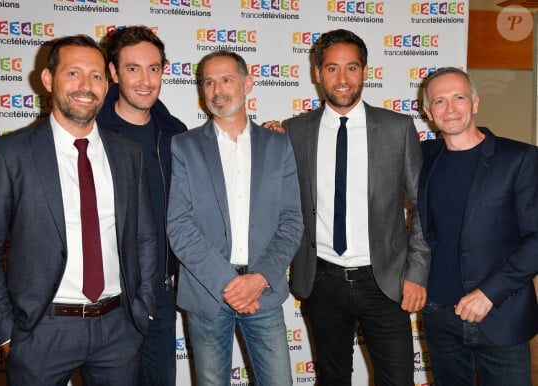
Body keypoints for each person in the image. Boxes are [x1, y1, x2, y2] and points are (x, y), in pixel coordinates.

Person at [0, 26, 186, 386]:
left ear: (106, 82)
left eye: (95, 75)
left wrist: (139, 310)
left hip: (118, 328)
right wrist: (5, 332)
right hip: (42, 331)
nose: (86, 85)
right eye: (73, 73)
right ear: (48, 79)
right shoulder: (11, 153)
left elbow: (145, 236)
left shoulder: (129, 153)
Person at [274, 29, 431, 385]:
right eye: (332, 68)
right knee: (332, 379)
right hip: (322, 281)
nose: (342, 79)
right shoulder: (295, 131)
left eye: (351, 68)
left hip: (385, 282)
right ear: (317, 73)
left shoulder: (397, 127)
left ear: (365, 71)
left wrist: (416, 273)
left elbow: (422, 205)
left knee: (397, 380)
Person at [166, 50, 303, 385]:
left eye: (226, 79)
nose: (217, 90)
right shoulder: (184, 146)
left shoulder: (278, 146)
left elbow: (292, 222)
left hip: (264, 293)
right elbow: (179, 226)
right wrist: (230, 286)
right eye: (208, 82)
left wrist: (258, 279)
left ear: (248, 83)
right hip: (207, 293)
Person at [418, 67, 537, 386]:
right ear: (428, 112)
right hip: (440, 315)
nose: (451, 108)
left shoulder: (520, 158)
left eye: (459, 97)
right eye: (440, 101)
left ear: (475, 103)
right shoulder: (423, 157)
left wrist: (489, 293)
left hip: (501, 315)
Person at [99, 26, 186, 386]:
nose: (146, 80)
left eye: (154, 68)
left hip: (160, 291)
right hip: (105, 292)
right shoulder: (88, 129)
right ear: (114, 73)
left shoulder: (176, 134)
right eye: (133, 68)